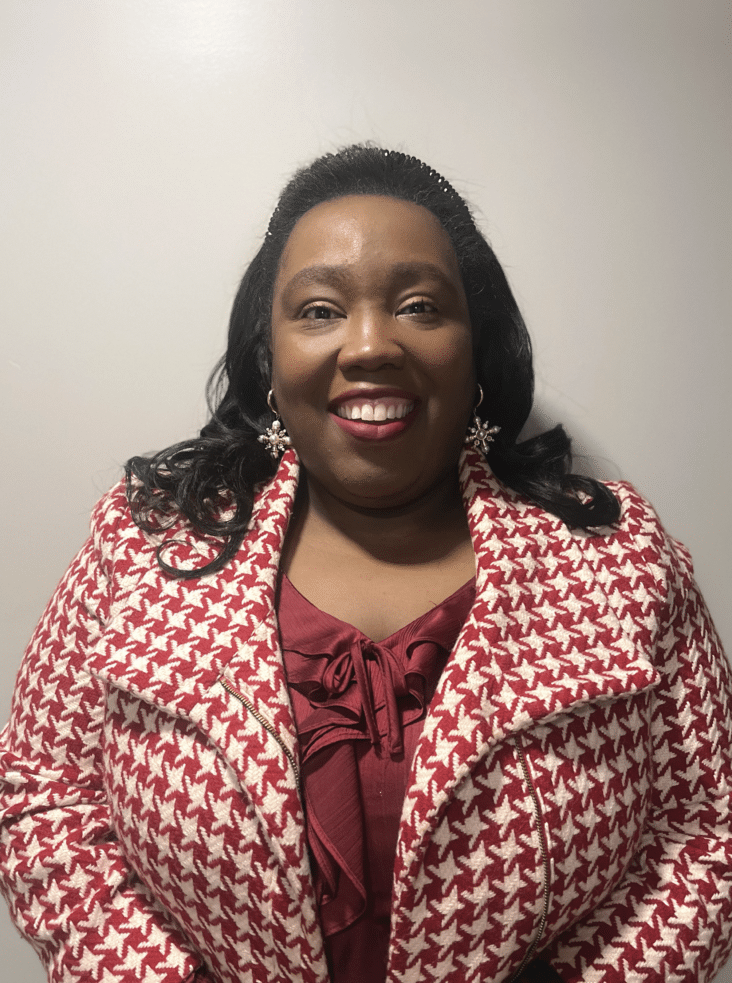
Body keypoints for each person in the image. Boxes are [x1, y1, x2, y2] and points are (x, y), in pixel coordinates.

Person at [1, 144, 731, 983]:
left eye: (420, 306)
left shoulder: (619, 558)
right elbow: (44, 795)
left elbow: (705, 826)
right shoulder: (144, 543)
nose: (371, 344)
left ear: (476, 354)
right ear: (269, 359)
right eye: (319, 311)